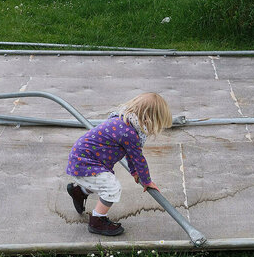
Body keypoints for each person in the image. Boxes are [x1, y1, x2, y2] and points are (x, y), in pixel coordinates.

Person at [65, 93, 173, 236]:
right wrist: (147, 181)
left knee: (101, 181)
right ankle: (97, 220)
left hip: (82, 159)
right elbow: (138, 158)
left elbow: (130, 154)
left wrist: (134, 172)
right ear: (148, 119)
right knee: (112, 188)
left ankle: (79, 192)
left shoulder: (123, 121)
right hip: (85, 163)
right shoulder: (129, 133)